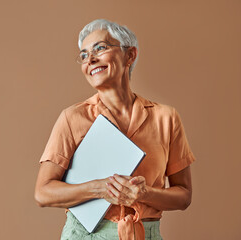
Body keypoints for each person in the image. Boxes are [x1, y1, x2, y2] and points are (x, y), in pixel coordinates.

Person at [34, 19, 195, 240]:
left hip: (144, 234)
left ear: (130, 55)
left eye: (100, 48)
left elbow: (183, 195)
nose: (90, 60)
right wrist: (98, 189)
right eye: (83, 55)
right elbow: (43, 193)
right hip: (84, 235)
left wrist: (145, 193)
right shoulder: (72, 118)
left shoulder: (166, 118)